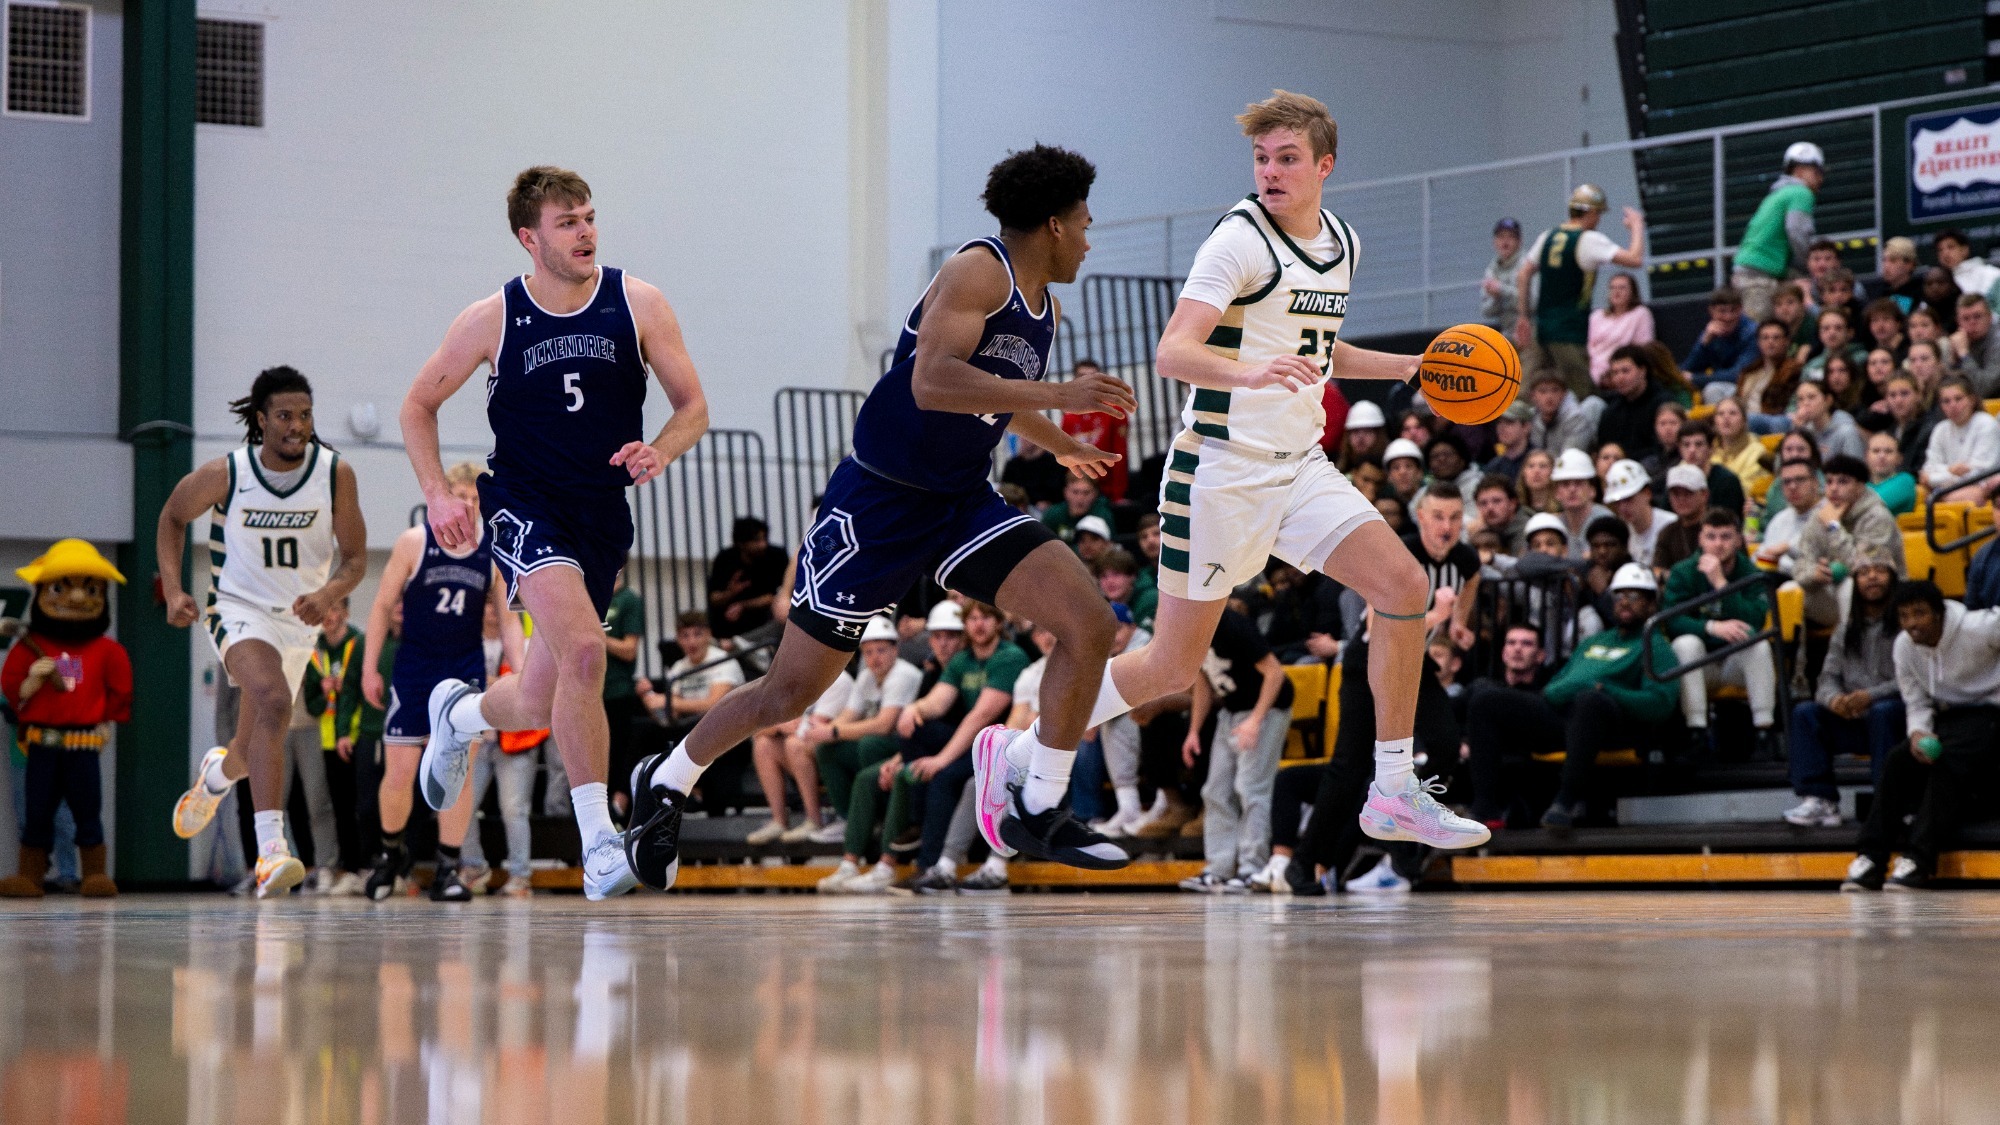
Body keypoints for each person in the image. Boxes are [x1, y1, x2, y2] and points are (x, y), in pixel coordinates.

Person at [630, 145, 1133, 889]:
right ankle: (667, 778)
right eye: (1086, 224)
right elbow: (933, 382)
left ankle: (1041, 802)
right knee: (787, 692)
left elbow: (994, 396)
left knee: (1089, 622)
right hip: (878, 506)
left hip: (961, 501)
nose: (1091, 239)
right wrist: (1060, 396)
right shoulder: (978, 271)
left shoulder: (1044, 309)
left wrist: (1059, 443)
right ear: (1055, 224)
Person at [1035, 93, 1495, 887]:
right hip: (1219, 469)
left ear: (1325, 165)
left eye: (1287, 158)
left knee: (1404, 584)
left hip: (1297, 466)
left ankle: (1392, 790)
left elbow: (1314, 347)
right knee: (1170, 668)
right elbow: (1172, 351)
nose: (1272, 171)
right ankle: (1023, 748)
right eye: (1262, 158)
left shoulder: (1343, 240)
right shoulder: (1237, 241)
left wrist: (1405, 365)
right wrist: (1249, 371)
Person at [398, 166, 710, 901]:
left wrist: (661, 446)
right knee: (583, 649)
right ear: (528, 238)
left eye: (590, 217)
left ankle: (460, 711)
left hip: (600, 512)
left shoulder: (638, 302)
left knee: (541, 698)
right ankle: (600, 841)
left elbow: (693, 404)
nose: (586, 232)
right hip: (525, 501)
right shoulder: (492, 317)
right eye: (568, 222)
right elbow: (417, 405)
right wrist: (438, 492)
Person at [159, 367, 367, 897]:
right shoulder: (227, 472)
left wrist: (328, 595)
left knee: (252, 753)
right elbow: (172, 517)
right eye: (284, 416)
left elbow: (358, 558)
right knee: (274, 701)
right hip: (238, 607)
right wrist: (174, 587)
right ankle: (272, 853)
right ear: (261, 420)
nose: (297, 426)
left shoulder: (335, 473)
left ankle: (216, 777)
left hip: (298, 621)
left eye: (305, 415)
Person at [359, 464, 525, 902]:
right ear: (444, 497)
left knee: (460, 771)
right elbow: (380, 606)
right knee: (399, 771)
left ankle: (450, 866)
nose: (469, 505)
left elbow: (509, 622)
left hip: (463, 671)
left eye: (476, 498)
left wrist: (522, 673)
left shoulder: (493, 551)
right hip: (415, 668)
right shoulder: (415, 541)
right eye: (461, 496)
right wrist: (369, 667)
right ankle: (390, 855)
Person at [1475, 563, 1678, 830]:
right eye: (1619, 596)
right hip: (1565, 714)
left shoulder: (1656, 645)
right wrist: (1572, 689)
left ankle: (1566, 802)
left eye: (1634, 596)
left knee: (1589, 701)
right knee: (1486, 700)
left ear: (1651, 604)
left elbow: (1660, 705)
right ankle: (1485, 809)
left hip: (1613, 724)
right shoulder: (1594, 642)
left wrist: (1607, 690)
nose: (1624, 603)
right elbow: (1558, 686)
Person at [1845, 581, 2000, 891]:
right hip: (1950, 716)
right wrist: (1918, 733)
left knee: (1946, 760)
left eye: (1920, 613)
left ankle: (1918, 859)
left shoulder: (1980, 628)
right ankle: (1871, 858)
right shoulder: (1903, 646)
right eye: (1904, 616)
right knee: (1898, 759)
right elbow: (1915, 701)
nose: (1912, 623)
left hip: (1993, 712)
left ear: (1939, 614)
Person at [815, 609, 945, 893]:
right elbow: (848, 716)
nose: (875, 658)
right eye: (869, 651)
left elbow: (885, 725)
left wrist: (834, 731)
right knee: (828, 751)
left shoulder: (903, 675)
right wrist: (819, 732)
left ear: (896, 649)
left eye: (881, 650)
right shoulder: (865, 677)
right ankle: (851, 839)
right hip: (891, 747)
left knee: (868, 745)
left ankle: (877, 821)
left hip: (903, 744)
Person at [1176, 607, 1293, 893]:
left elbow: (1274, 673)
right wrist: (1193, 730)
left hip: (1267, 707)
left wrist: (1255, 721)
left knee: (1251, 787)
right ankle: (1218, 869)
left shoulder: (1232, 625)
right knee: (1214, 790)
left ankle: (1252, 869)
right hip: (1231, 710)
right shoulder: (1189, 628)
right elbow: (1203, 681)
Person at [1783, 554, 1901, 828]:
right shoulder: (1844, 631)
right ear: (1855, 583)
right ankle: (1819, 800)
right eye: (1863, 572)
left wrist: (1869, 697)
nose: (1872, 576)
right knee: (1806, 713)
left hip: (1897, 719)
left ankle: (1890, 801)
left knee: (1883, 712)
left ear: (1893, 579)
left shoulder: (1906, 626)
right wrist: (1835, 700)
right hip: (1853, 718)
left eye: (1879, 570)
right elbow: (1827, 678)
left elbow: (1913, 681)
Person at [1514, 184, 1648, 399]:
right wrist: (1637, 226)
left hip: (1542, 328)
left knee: (1523, 389)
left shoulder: (1548, 236)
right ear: (1592, 213)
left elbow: (1523, 274)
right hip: (1569, 331)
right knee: (1584, 393)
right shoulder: (1588, 239)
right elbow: (1635, 259)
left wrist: (1523, 317)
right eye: (1599, 214)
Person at [1663, 509, 1778, 756]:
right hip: (1702, 664)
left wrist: (1721, 585)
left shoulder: (1750, 572)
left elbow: (1754, 621)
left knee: (1758, 645)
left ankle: (1764, 731)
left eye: (1725, 537)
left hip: (1735, 663)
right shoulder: (1684, 571)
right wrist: (1712, 627)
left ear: (1738, 539)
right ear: (1700, 540)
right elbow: (1672, 621)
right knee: (1685, 643)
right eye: (1711, 537)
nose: (1718, 544)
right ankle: (1696, 731)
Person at [1791, 453, 1906, 627]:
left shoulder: (1878, 517)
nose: (1834, 488)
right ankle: (1797, 654)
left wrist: (1834, 527)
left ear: (1860, 486)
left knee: (1849, 586)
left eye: (1843, 481)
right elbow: (1801, 563)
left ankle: (1853, 648)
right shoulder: (1821, 515)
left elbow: (1866, 569)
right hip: (1836, 596)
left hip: (1886, 597)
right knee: (1790, 591)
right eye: (1829, 482)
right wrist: (1813, 573)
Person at [300, 596, 367, 893]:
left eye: (335, 609)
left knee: (361, 805)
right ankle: (340, 866)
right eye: (325, 610)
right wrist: (324, 691)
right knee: (332, 805)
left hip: (357, 734)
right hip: (327, 738)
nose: (329, 616)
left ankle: (361, 866)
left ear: (346, 612)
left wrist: (347, 686)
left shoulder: (358, 644)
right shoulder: (315, 651)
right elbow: (312, 703)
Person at [1461, 624, 1555, 827]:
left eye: (1526, 644)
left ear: (1540, 656)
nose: (1517, 649)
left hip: (1532, 771)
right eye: (1511, 643)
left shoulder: (1548, 691)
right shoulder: (1482, 687)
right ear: (1503, 653)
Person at [1731, 142, 1824, 320]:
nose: (1821, 179)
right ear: (1799, 170)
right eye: (1816, 172)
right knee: (1761, 332)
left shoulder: (1777, 195)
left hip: (1750, 271)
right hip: (1758, 277)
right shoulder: (1801, 193)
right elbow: (1798, 233)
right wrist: (1810, 265)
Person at [601, 568, 645, 819]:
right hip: (592, 693)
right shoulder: (591, 595)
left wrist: (596, 636)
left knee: (617, 756)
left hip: (618, 692)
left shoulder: (628, 599)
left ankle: (620, 816)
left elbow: (630, 649)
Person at [1921, 376, 2000, 502]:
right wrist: (1951, 470)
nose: (1953, 405)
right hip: (1946, 488)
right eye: (1946, 401)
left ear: (1972, 400)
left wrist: (1936, 477)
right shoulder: (1940, 429)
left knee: (1973, 495)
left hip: (1982, 490)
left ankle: (1941, 499)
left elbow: (1980, 474)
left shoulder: (1986, 424)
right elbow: (1927, 470)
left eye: (1958, 399)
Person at [706, 517, 787, 640]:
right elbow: (714, 598)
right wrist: (730, 593)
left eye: (764, 539)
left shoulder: (776, 557)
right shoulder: (725, 559)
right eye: (756, 541)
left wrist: (743, 605)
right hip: (729, 625)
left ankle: (743, 644)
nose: (763, 545)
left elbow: (776, 596)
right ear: (741, 543)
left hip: (764, 620)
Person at [1062, 358, 1131, 501]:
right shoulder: (1069, 414)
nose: (1087, 382)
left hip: (1106, 489)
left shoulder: (1114, 410)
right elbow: (1064, 454)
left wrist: (1117, 494)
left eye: (1092, 377)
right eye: (1082, 377)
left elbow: (1120, 454)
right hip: (1076, 489)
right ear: (1075, 380)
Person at [1597, 345, 1675, 461]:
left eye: (1625, 371)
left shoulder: (1663, 404)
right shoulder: (1611, 410)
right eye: (1615, 373)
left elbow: (1662, 448)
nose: (1620, 378)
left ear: (1643, 371)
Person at [1679, 287, 1758, 395]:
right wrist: (1704, 343)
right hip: (1722, 383)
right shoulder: (1711, 332)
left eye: (1733, 310)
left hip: (1750, 385)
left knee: (1713, 390)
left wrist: (1695, 378)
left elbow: (1738, 374)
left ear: (1741, 309)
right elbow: (1687, 368)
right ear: (1711, 311)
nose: (1728, 317)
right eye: (1722, 311)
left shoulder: (1752, 332)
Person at [1602, 459, 1677, 571]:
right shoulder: (1621, 534)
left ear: (1647, 494)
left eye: (1628, 499)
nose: (1623, 508)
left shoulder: (1671, 526)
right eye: (1617, 503)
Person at [1582, 272, 1655, 385]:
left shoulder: (1640, 313)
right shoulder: (1596, 316)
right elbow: (1588, 347)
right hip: (1592, 370)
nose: (1616, 292)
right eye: (1612, 288)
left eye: (1622, 288)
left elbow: (1643, 348)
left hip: (1620, 369)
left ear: (1632, 291)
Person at [1734, 321, 1802, 431]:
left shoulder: (1793, 370)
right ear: (1758, 342)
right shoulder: (1749, 371)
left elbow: (1782, 406)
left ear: (1786, 341)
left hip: (1772, 421)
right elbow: (1737, 399)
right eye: (1765, 338)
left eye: (1776, 338)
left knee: (1751, 420)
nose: (1770, 342)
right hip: (1744, 419)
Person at [1758, 458, 1823, 573]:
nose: (1792, 487)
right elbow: (1762, 557)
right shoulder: (1779, 519)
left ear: (1815, 482)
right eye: (1787, 482)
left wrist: (1787, 548)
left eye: (1800, 480)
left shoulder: (1829, 515)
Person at [1550, 448, 1614, 561]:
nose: (1572, 489)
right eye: (1565, 484)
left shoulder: (1605, 521)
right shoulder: (1555, 525)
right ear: (1556, 493)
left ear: (1592, 490)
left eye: (1578, 483)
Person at [1708, 398, 1770, 503]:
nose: (1726, 418)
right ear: (1715, 421)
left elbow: (1746, 488)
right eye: (1720, 414)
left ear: (1744, 421)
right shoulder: (1706, 450)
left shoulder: (1757, 451)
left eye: (1733, 413)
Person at [1788, 380, 1864, 462]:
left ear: (1828, 400)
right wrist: (1798, 431)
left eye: (1811, 397)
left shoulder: (1846, 432)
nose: (1805, 403)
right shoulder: (1802, 430)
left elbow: (1856, 467)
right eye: (1800, 399)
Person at [1652, 464, 1709, 572]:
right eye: (1676, 494)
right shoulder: (1667, 533)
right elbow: (1658, 571)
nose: (1681, 499)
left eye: (1688, 493)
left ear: (1704, 494)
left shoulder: (1720, 525)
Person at [1526, 371, 1599, 455]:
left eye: (1555, 390)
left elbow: (1570, 458)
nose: (1549, 396)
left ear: (1564, 394)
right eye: (1543, 391)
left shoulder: (1576, 419)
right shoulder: (1529, 417)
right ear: (1532, 396)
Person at [1881, 369, 1938, 476]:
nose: (1898, 400)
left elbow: (1920, 471)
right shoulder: (1890, 430)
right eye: (1892, 395)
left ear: (1918, 395)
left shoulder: (1929, 429)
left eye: (1904, 394)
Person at [1040, 472, 1116, 546]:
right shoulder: (1053, 514)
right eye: (1075, 492)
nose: (1080, 498)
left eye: (1086, 493)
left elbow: (1109, 546)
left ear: (1095, 493)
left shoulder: (1102, 516)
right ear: (1065, 492)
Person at [1936, 228, 2000, 311]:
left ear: (1964, 250)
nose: (1945, 253)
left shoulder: (1990, 274)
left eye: (1951, 247)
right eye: (1940, 250)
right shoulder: (1938, 282)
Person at [1950, 293, 2000, 397]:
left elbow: (1983, 389)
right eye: (1966, 318)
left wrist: (1964, 355)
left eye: (1977, 316)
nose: (1972, 323)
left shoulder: (1997, 341)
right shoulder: (1958, 341)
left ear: (1990, 317)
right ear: (1958, 321)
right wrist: (1953, 359)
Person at [1480, 217, 1524, 336]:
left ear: (1519, 241)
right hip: (1507, 334)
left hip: (1529, 333)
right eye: (1501, 237)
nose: (1505, 242)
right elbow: (1486, 311)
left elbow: (1534, 302)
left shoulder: (1527, 265)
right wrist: (1496, 298)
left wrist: (1501, 290)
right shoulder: (1492, 270)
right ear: (1494, 241)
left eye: (1510, 237)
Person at [999, 437, 1069, 509]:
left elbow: (1060, 489)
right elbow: (1005, 489)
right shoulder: (1012, 464)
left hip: (1049, 509)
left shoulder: (1054, 463)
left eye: (1027, 436)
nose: (1024, 440)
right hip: (1019, 507)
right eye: (1022, 436)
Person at [1469, 474, 1528, 556]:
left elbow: (1520, 566)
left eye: (1497, 501)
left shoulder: (1527, 531)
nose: (1490, 508)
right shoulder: (1476, 530)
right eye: (1483, 503)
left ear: (1512, 504)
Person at [1864, 236, 1923, 314]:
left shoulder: (1922, 294)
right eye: (1884, 260)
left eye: (1893, 260)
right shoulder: (1876, 296)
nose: (1886, 265)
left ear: (1909, 264)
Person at [1865, 430, 1917, 516]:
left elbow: (1874, 505)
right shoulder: (1862, 485)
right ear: (1866, 456)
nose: (1881, 456)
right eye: (1876, 451)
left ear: (1899, 458)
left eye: (1888, 451)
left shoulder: (1904, 480)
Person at [1336, 399, 1388, 472]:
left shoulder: (1391, 472)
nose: (1361, 437)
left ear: (1379, 436)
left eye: (1367, 431)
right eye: (1355, 431)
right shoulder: (1337, 474)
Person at [1382, 438, 1426, 503]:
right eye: (1396, 468)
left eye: (1408, 466)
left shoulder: (1434, 501)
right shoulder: (1384, 507)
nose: (1402, 472)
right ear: (1389, 476)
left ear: (1420, 472)